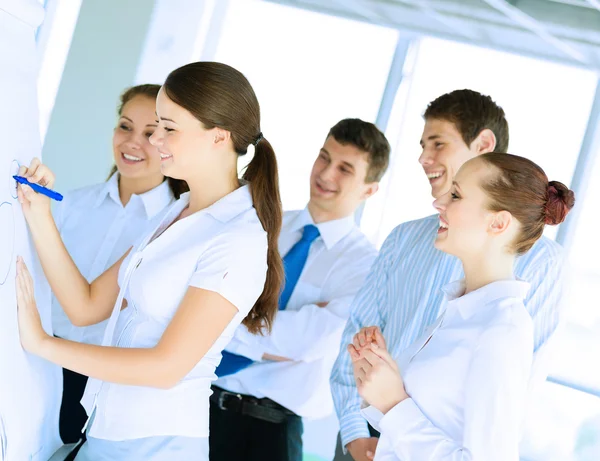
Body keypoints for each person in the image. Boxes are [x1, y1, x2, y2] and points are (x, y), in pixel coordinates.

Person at [14, 61, 283, 461]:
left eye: (168, 128)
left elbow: (165, 368)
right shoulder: (175, 211)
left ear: (219, 136)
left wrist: (42, 343)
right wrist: (38, 213)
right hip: (105, 432)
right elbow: (86, 306)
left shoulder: (238, 237)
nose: (156, 138)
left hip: (157, 445)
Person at [330, 89, 566, 461]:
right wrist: (377, 380)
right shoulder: (458, 307)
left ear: (498, 223)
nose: (438, 202)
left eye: (456, 196)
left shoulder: (502, 328)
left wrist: (393, 406)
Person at [208, 119, 391, 461]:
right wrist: (284, 328)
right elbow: (203, 299)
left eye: (345, 169)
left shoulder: (367, 266)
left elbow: (311, 341)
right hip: (200, 407)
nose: (326, 174)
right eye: (324, 158)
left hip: (271, 433)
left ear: (369, 190)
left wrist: (222, 322)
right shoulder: (260, 224)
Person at [53, 83, 188, 445]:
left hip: (103, 384)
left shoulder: (172, 225)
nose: (132, 143)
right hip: (39, 362)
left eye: (150, 133)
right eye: (125, 126)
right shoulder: (70, 204)